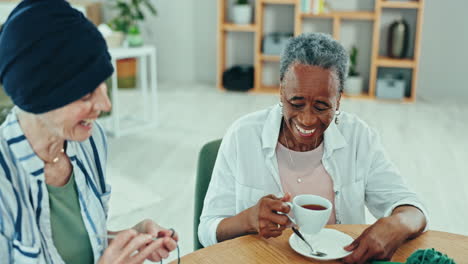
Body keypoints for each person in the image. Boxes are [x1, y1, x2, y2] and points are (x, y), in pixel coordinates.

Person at [199, 33, 428, 264]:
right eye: (296, 103)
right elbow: (207, 231)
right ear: (281, 90)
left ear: (338, 100)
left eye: (321, 107)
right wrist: (248, 220)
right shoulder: (242, 136)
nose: (307, 120)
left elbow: (413, 210)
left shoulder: (359, 138)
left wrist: (395, 224)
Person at [0, 0, 178, 263]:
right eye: (86, 94)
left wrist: (128, 238)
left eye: (103, 85)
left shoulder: (88, 140)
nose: (105, 106)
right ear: (37, 97)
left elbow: (74, 245)